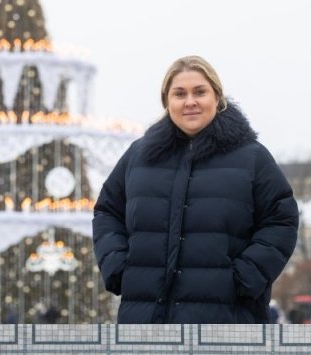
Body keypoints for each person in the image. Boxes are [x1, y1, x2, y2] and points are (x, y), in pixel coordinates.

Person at [92, 55, 298, 323]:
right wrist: (117, 267)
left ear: (217, 97)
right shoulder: (138, 156)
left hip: (226, 318)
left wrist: (245, 278)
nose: (190, 102)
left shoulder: (251, 157)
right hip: (144, 317)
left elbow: (282, 219)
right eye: (180, 94)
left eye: (199, 92)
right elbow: (107, 211)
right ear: (167, 101)